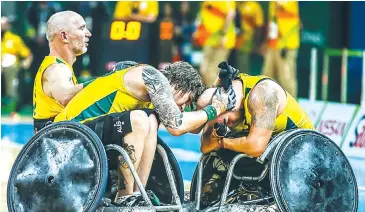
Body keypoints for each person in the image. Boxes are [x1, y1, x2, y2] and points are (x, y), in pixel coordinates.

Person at [34, 11, 236, 207]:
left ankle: (137, 194)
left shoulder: (153, 92)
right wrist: (214, 109)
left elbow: (190, 126)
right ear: (180, 87)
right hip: (66, 132)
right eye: (185, 102)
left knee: (150, 120)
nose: (182, 107)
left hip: (82, 130)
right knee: (139, 119)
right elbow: (177, 125)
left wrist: (216, 95)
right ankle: (125, 196)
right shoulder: (153, 77)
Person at [195, 63, 314, 208]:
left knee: (226, 145)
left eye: (225, 121)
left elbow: (255, 146)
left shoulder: (263, 95)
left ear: (231, 106)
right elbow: (205, 146)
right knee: (216, 153)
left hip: (303, 154)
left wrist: (221, 142)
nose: (226, 125)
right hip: (271, 145)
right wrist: (216, 137)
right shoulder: (220, 98)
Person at [261, 1, 301, 98]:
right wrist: (266, 42)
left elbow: (280, 3)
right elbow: (272, 22)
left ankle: (291, 106)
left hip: (287, 45)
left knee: (286, 78)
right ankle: (266, 105)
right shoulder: (272, 3)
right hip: (273, 44)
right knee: (267, 76)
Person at [193, 1, 236, 87]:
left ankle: (214, 95)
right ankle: (210, 92)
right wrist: (197, 32)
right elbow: (202, 17)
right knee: (203, 69)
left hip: (223, 39)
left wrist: (224, 34)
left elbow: (231, 14)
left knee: (212, 71)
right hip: (209, 39)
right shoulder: (205, 3)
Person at [1, 16, 33, 119]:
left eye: (4, 24)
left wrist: (25, 64)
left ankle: (12, 108)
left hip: (12, 67)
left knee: (12, 81)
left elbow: (28, 55)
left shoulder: (15, 39)